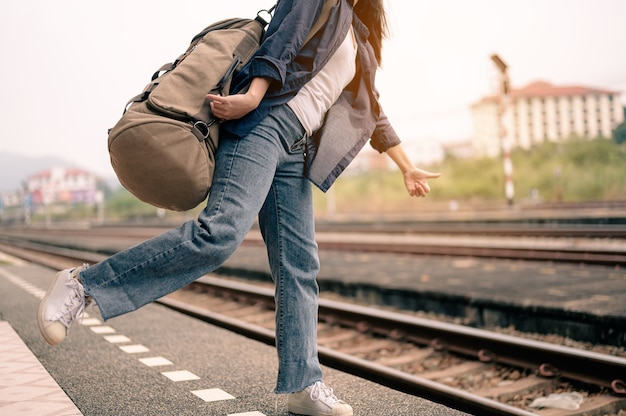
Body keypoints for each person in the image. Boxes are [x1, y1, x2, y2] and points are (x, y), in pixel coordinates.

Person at [38, 0, 440, 415]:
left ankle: (304, 385)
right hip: (264, 126)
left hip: (297, 149)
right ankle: (84, 285)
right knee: (220, 233)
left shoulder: (360, 35)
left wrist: (407, 168)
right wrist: (252, 96)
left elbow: (370, 107)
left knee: (299, 265)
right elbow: (281, 42)